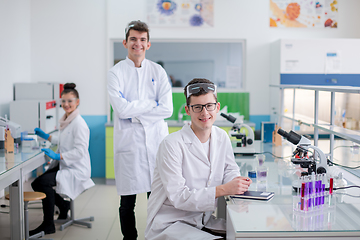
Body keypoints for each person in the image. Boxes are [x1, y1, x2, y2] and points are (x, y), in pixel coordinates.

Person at [145, 78, 252, 240]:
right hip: (171, 223)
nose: (204, 113)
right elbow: (179, 197)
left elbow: (229, 169)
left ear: (217, 107)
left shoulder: (221, 136)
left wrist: (237, 182)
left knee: (246, 234)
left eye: (209, 106)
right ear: (188, 110)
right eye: (197, 107)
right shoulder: (171, 144)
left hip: (202, 220)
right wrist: (225, 189)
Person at [107, 20, 173, 240]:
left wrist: (134, 110)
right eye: (133, 39)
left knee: (157, 199)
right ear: (125, 42)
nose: (138, 44)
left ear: (148, 44)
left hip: (155, 144)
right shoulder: (115, 73)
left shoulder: (158, 70)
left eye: (142, 40)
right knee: (127, 202)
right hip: (129, 146)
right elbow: (121, 109)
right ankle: (130, 238)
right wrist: (150, 105)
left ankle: (156, 236)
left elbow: (167, 109)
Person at [29, 83, 95, 235]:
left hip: (76, 167)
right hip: (66, 164)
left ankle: (48, 224)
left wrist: (58, 156)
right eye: (63, 101)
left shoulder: (79, 124)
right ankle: (63, 206)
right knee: (37, 183)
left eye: (70, 101)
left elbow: (80, 151)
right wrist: (48, 137)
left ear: (77, 102)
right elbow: (63, 139)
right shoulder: (66, 120)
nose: (66, 104)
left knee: (43, 183)